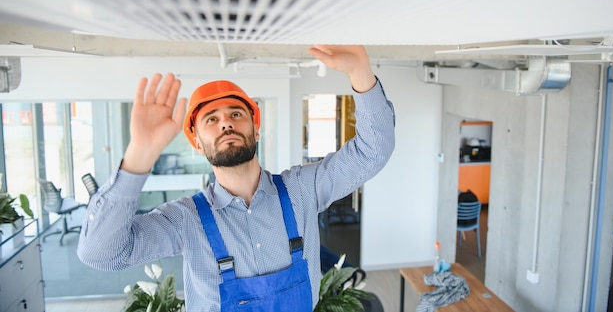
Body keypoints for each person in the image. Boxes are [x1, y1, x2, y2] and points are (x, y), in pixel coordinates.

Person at [77, 45, 395, 312]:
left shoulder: (302, 189)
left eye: (236, 114)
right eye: (211, 119)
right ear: (197, 143)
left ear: (255, 129)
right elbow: (101, 253)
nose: (226, 123)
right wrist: (139, 155)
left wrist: (361, 73)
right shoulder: (184, 219)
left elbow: (373, 151)